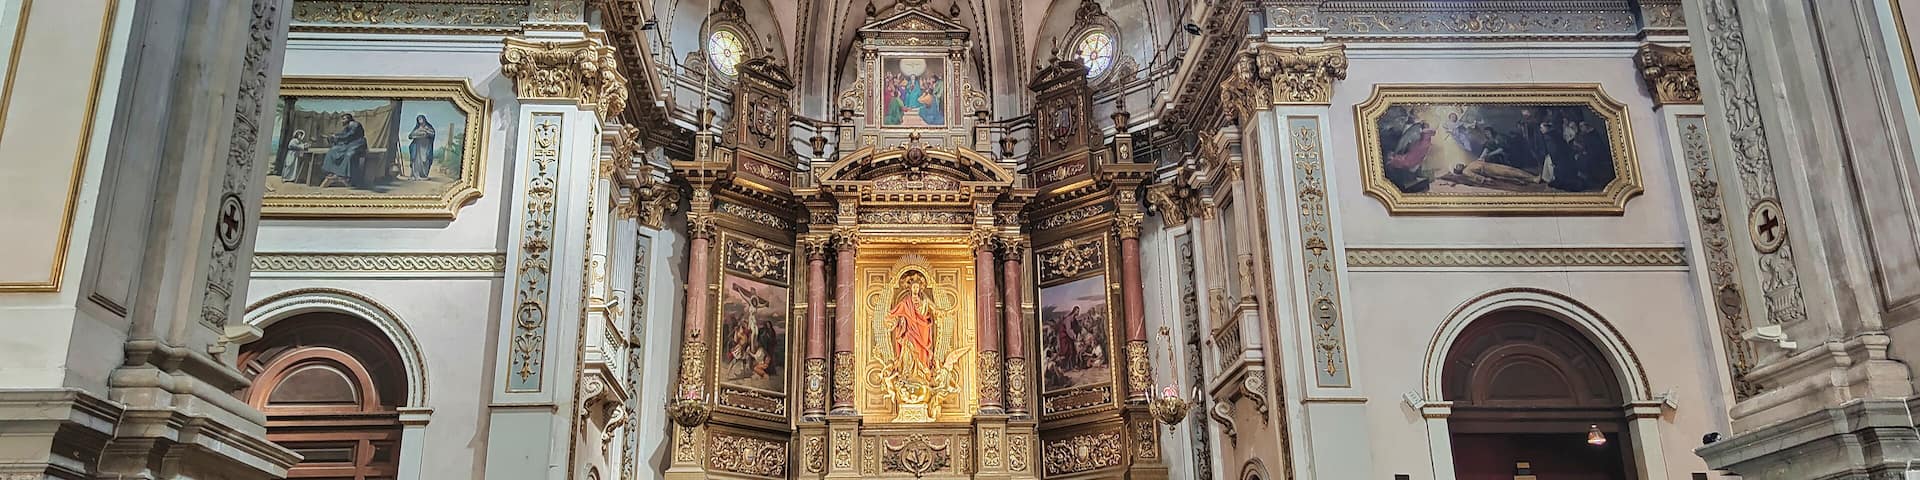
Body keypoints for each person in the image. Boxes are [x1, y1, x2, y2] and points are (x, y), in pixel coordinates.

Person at [887, 271, 937, 383]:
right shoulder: (905, 302)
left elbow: (934, 309)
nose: (915, 289)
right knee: (909, 349)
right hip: (909, 331)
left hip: (923, 328)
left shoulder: (924, 301)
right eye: (913, 287)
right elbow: (894, 314)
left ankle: (922, 374)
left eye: (917, 287)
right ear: (910, 288)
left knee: (922, 352)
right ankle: (908, 372)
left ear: (920, 288)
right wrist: (895, 320)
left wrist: (940, 312)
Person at [319, 114, 367, 188]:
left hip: (358, 144)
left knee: (349, 155)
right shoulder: (347, 127)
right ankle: (332, 172)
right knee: (332, 151)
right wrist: (333, 136)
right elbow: (343, 134)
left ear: (349, 119)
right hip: (350, 144)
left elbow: (349, 135)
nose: (342, 121)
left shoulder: (355, 124)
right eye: (342, 119)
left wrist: (336, 137)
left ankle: (342, 175)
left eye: (344, 119)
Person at [407, 115, 435, 180]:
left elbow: (432, 134)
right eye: (419, 119)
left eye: (421, 119)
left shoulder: (428, 127)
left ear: (424, 119)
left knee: (425, 160)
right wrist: (417, 134)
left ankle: (424, 175)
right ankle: (416, 174)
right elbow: (410, 136)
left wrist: (425, 131)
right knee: (416, 160)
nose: (420, 121)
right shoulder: (417, 128)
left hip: (425, 146)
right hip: (417, 146)